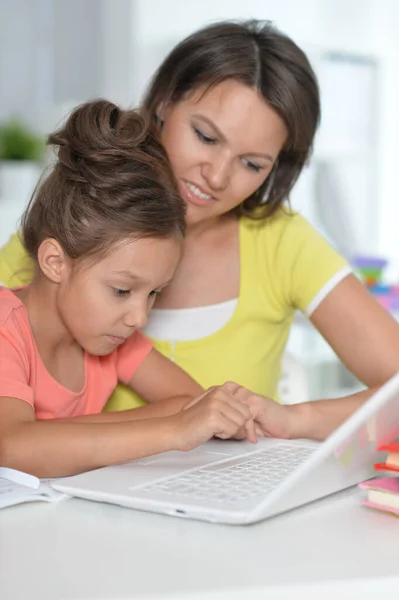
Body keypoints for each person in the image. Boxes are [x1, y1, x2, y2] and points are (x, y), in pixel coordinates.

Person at [2, 21, 399, 443]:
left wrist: (295, 420)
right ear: (163, 103)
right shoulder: (70, 230)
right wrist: (170, 427)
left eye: (252, 164)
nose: (217, 175)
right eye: (206, 136)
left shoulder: (282, 242)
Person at [0, 99, 263, 478]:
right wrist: (173, 431)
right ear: (55, 262)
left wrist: (52, 438)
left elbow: (190, 403)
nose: (139, 317)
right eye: (122, 290)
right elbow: (11, 447)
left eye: (154, 293)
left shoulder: (107, 334)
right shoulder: (7, 329)